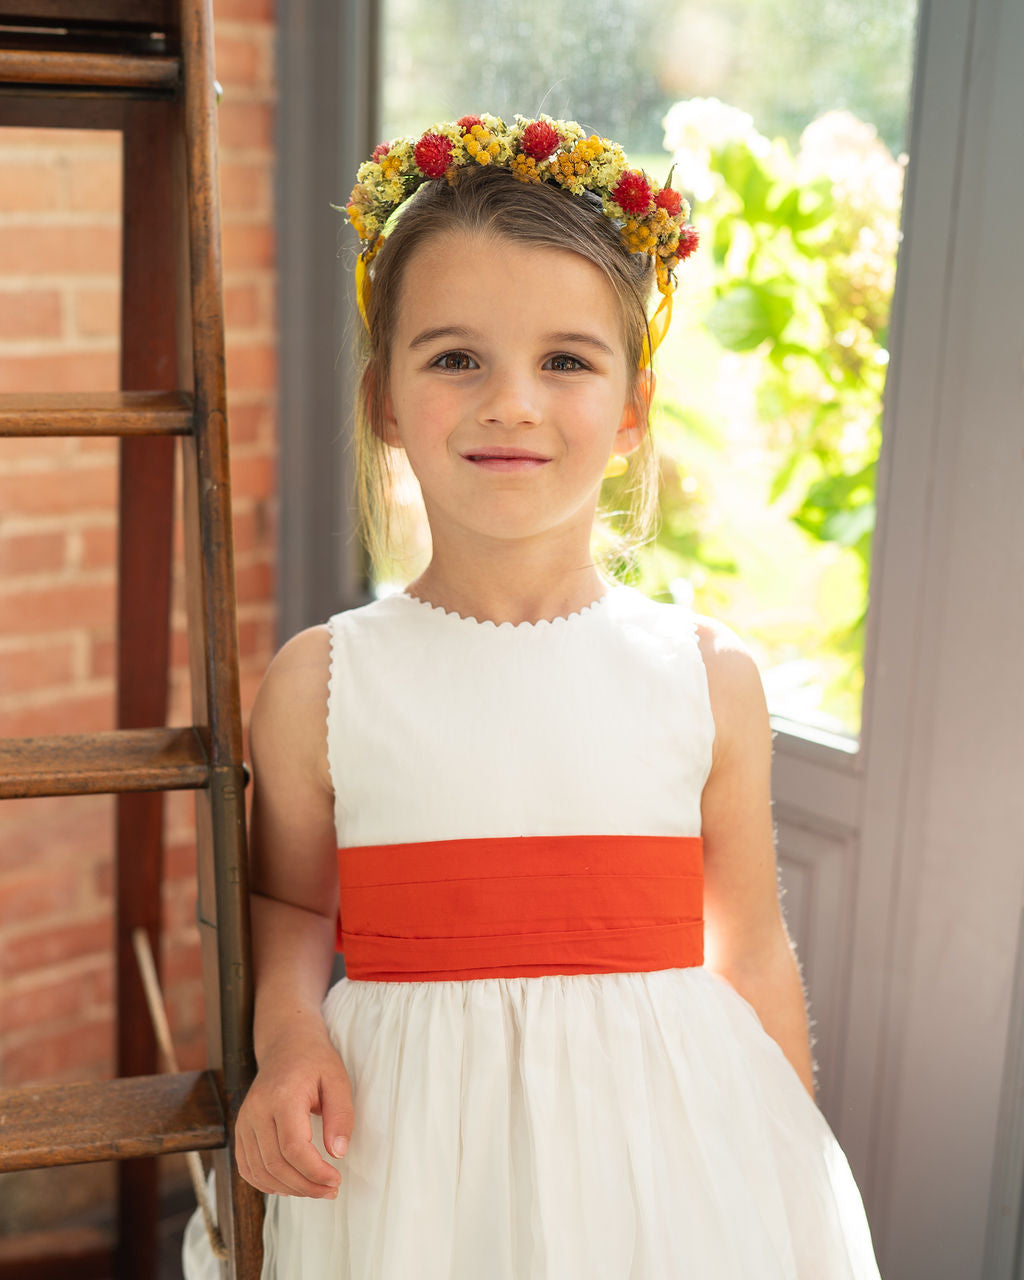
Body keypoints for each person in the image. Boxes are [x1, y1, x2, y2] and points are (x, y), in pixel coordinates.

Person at [183, 113, 881, 1278]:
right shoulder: (326, 680)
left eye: (565, 359)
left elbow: (751, 946)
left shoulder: (704, 676)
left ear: (631, 410)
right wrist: (292, 1031)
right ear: (384, 402)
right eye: (456, 357)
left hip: (658, 1164)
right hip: (407, 1161)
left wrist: (786, 1175)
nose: (511, 400)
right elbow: (295, 909)